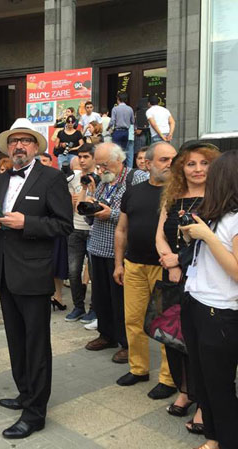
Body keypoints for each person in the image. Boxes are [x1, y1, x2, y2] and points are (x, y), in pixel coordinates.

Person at [0, 118, 73, 439]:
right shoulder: (3, 178)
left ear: (35, 146)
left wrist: (28, 223)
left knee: (36, 344)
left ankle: (35, 413)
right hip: (7, 273)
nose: (18, 146)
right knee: (16, 339)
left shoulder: (52, 178)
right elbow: (2, 221)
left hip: (34, 274)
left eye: (25, 141)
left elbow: (64, 225)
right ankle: (25, 392)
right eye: (13, 141)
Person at [155, 141, 220, 436]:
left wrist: (179, 262)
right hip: (172, 276)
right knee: (174, 338)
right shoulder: (172, 197)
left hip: (204, 278)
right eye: (191, 164)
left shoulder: (220, 198)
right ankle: (185, 391)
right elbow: (160, 234)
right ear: (182, 167)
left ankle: (204, 403)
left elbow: (214, 242)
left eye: (204, 163)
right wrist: (169, 261)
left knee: (201, 344)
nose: (197, 169)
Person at [178, 150, 238, 449]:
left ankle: (226, 441)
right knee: (203, 381)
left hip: (220, 311)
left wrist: (209, 237)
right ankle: (213, 438)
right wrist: (192, 236)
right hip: (196, 302)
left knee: (219, 386)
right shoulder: (216, 214)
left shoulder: (235, 220)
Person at [113, 142, 178, 399]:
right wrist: (118, 264)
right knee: (133, 320)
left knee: (165, 324)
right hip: (134, 266)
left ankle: (169, 378)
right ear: (148, 164)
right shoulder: (133, 192)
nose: (170, 164)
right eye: (164, 159)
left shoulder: (179, 193)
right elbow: (122, 229)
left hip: (164, 269)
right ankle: (138, 369)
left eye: (173, 159)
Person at [80, 142, 148, 362]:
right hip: (98, 247)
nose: (101, 169)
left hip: (121, 251)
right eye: (98, 165)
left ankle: (128, 343)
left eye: (104, 165)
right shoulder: (102, 182)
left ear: (119, 159)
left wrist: (112, 214)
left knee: (122, 301)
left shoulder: (136, 178)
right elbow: (95, 216)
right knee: (101, 298)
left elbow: (142, 212)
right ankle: (106, 335)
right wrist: (91, 207)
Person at [65, 144, 97, 323]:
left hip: (94, 231)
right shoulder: (73, 179)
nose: (82, 160)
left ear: (94, 158)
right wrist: (71, 201)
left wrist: (90, 193)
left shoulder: (101, 177)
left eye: (86, 157)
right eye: (80, 157)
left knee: (94, 272)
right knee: (73, 270)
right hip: (75, 229)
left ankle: (94, 309)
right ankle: (78, 307)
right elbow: (73, 208)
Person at [37, 153, 69, 311]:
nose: (42, 163)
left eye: (45, 160)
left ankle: (58, 296)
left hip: (56, 227)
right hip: (40, 228)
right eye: (40, 160)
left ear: (51, 162)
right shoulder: (34, 179)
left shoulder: (57, 177)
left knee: (58, 264)